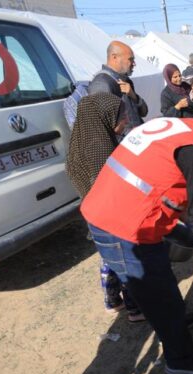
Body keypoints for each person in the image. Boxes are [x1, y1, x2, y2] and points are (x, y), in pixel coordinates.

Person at [80, 104, 193, 374]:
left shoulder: (179, 125)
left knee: (162, 280)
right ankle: (180, 360)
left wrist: (191, 220)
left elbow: (172, 187)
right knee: (158, 295)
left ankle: (176, 319)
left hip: (115, 207)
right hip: (121, 226)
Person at [65, 92, 144, 322]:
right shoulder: (100, 149)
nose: (126, 121)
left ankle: (112, 300)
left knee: (108, 258)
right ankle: (135, 309)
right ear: (105, 117)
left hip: (93, 212)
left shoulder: (81, 141)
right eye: (121, 117)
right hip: (110, 214)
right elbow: (112, 189)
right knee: (124, 258)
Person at [88, 41, 148, 136]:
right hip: (126, 145)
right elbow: (104, 126)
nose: (134, 64)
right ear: (114, 57)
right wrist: (133, 139)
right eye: (130, 59)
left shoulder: (125, 80)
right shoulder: (101, 83)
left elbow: (144, 112)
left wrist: (134, 96)